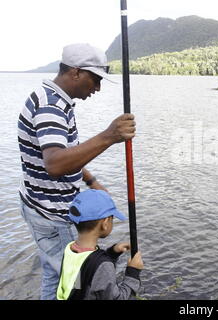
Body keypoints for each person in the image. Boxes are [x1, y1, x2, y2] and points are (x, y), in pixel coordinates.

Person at [17, 43, 136, 299]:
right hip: (52, 213)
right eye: (95, 80)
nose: (97, 88)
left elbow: (67, 152)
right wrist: (109, 135)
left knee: (54, 274)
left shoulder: (55, 100)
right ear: (75, 73)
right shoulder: (51, 106)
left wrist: (91, 180)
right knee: (68, 279)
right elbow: (56, 164)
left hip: (38, 205)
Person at [57, 189, 144, 300]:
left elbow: (83, 278)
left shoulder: (70, 250)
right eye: (112, 218)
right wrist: (133, 272)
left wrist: (112, 253)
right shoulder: (104, 266)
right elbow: (118, 298)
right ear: (105, 223)